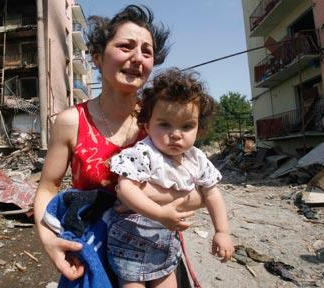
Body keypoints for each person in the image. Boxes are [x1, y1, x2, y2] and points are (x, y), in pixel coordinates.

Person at [33, 5, 203, 286]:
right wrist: (49, 240)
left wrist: (154, 204)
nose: (137, 58)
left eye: (147, 52)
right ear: (98, 58)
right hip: (91, 255)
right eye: (126, 47)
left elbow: (199, 188)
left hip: (156, 256)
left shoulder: (162, 123)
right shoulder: (71, 122)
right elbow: (48, 188)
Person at [108, 68, 234, 288]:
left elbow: (212, 193)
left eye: (187, 126)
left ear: (199, 129)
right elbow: (126, 188)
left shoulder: (197, 159)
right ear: (147, 125)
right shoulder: (144, 153)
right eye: (165, 124)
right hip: (130, 242)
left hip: (165, 244)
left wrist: (222, 232)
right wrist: (160, 213)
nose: (176, 134)